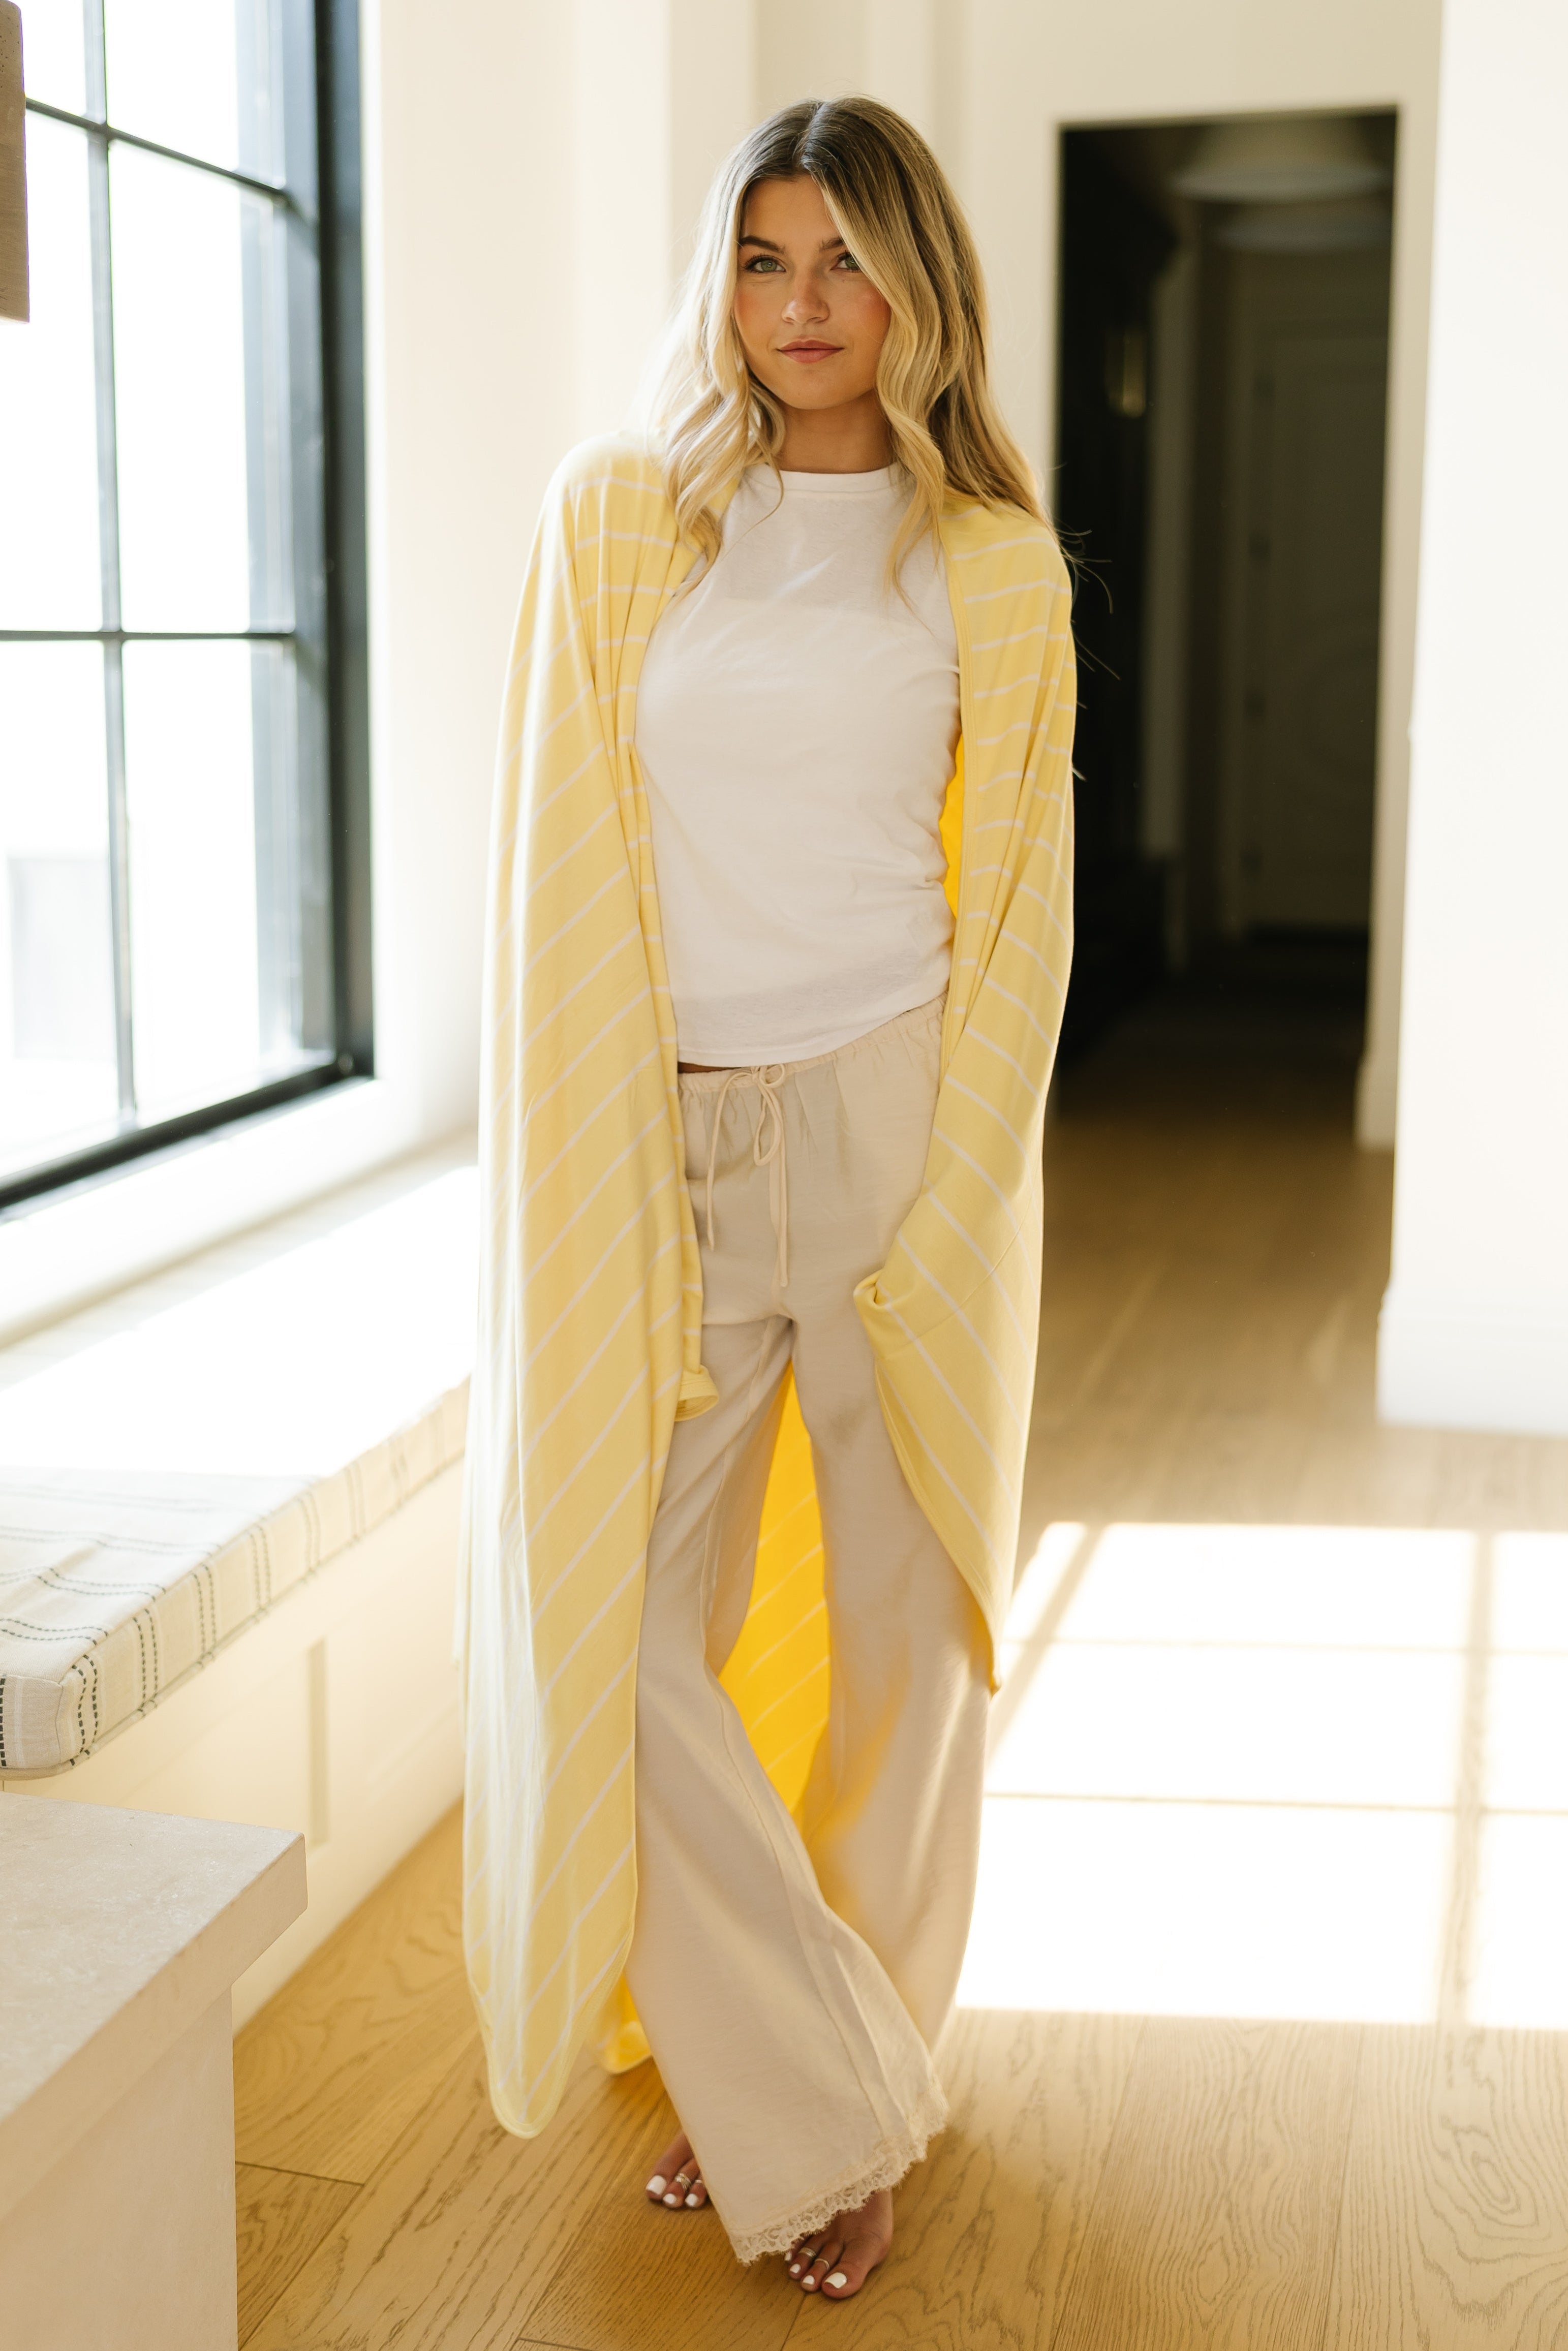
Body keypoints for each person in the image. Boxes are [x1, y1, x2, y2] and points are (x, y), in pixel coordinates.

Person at [458, 95, 1076, 2304]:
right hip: (678, 1141)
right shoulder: (632, 525)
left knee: (910, 1637)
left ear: (915, 284)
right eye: (760, 258)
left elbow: (1022, 909)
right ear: (718, 286)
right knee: (616, 1626)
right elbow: (560, 869)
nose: (802, 305)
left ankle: (837, 2073)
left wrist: (956, 1193)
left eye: (842, 258)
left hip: (899, 1122)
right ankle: (798, 2065)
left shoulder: (990, 562)